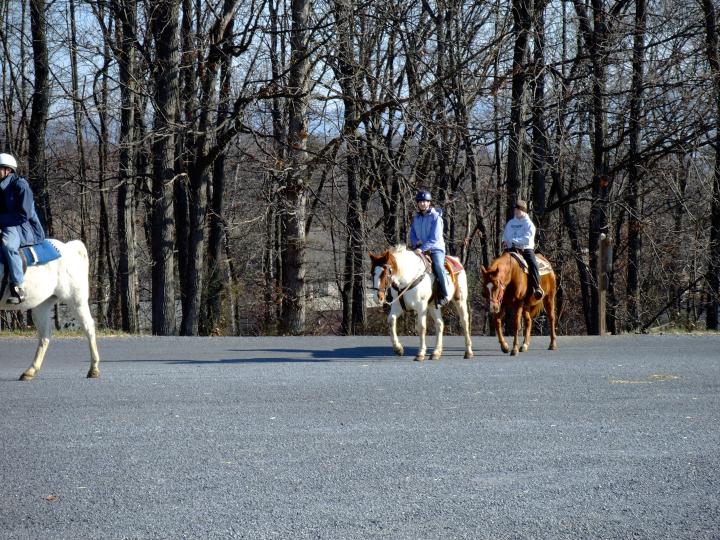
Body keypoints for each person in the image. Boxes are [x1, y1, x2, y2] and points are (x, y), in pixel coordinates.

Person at [0, 153, 46, 304]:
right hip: (5, 222)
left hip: (21, 225)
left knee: (8, 245)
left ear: (8, 170)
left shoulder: (21, 186)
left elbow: (23, 215)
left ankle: (19, 286)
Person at [409, 190, 451, 307]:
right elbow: (412, 233)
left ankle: (445, 294)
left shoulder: (436, 218)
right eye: (420, 202)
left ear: (429, 203)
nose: (423, 204)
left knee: (438, 266)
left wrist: (422, 248)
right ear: (417, 203)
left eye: (425, 201)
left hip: (435, 249)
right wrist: (415, 243)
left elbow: (434, 238)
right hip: (419, 248)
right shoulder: (416, 218)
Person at [502, 199, 543, 300]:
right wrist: (504, 241)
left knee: (532, 263)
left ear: (523, 210)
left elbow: (527, 239)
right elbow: (505, 235)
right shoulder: (510, 223)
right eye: (515, 209)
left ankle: (536, 286)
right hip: (510, 249)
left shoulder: (529, 224)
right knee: (499, 263)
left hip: (525, 249)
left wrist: (513, 241)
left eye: (517, 209)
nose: (515, 211)